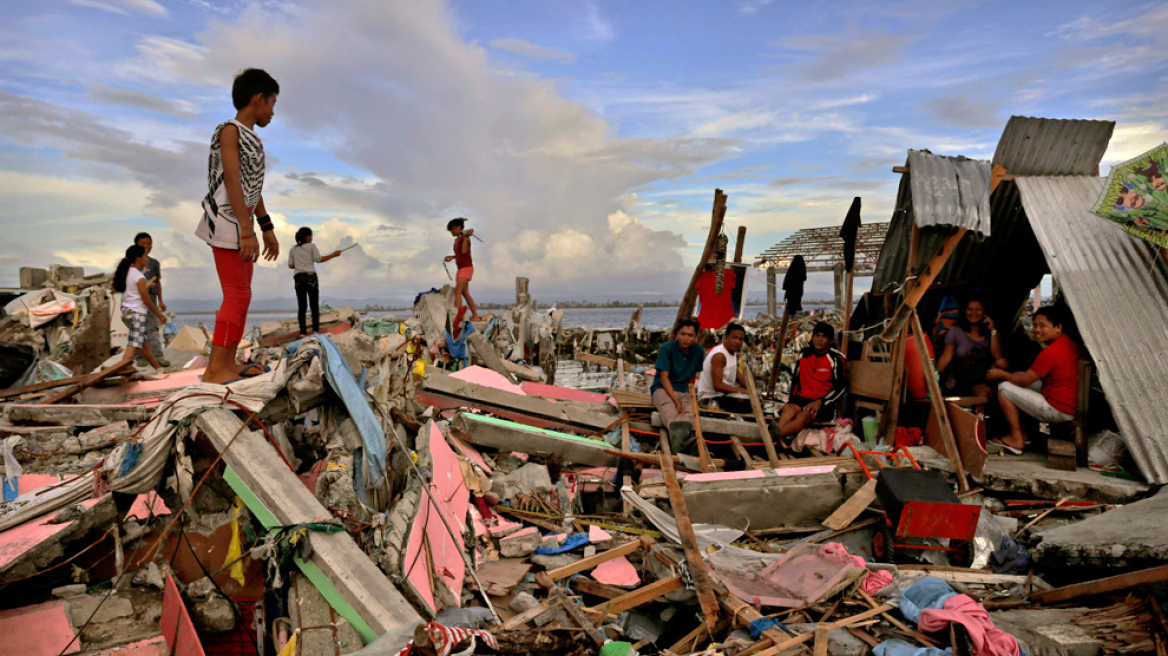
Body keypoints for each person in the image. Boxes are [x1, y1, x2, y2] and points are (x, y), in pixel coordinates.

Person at [195, 68, 281, 384]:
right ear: (258, 100)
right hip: (227, 221)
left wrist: (266, 227)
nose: (272, 112)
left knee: (243, 294)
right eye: (272, 104)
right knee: (235, 294)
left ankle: (227, 364)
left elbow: (252, 187)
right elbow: (232, 180)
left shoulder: (251, 137)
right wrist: (246, 231)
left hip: (242, 223)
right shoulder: (229, 131)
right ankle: (216, 369)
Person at [987, 305, 1083, 454]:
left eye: (1043, 326)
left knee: (1004, 388)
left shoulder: (1051, 352)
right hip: (1068, 403)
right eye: (1035, 325)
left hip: (1058, 408)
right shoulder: (1069, 343)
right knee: (1022, 383)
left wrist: (1000, 373)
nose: (1037, 330)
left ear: (1058, 327)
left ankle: (1016, 439)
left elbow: (1024, 380)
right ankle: (1025, 434)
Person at [776, 322, 846, 438]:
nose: (819, 339)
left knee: (803, 416)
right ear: (812, 337)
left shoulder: (837, 358)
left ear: (831, 341)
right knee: (788, 409)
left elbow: (840, 387)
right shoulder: (804, 355)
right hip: (801, 399)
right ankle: (777, 437)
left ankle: (773, 436)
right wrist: (792, 400)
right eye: (817, 335)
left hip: (822, 404)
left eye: (824, 337)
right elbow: (796, 381)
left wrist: (820, 402)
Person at [651, 318, 705, 453]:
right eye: (683, 334)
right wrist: (676, 401)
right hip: (662, 389)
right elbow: (664, 378)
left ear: (696, 336)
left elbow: (692, 378)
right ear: (677, 334)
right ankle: (682, 447)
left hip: (683, 390)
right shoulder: (666, 348)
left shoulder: (698, 351)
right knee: (670, 411)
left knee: (689, 413)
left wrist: (691, 397)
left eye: (690, 335)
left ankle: (681, 443)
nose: (685, 338)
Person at [936, 298, 1008, 400]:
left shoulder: (992, 334)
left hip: (982, 380)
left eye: (978, 309)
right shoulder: (956, 331)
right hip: (960, 378)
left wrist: (992, 330)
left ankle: (980, 416)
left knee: (1001, 364)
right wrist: (934, 377)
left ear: (984, 312)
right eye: (970, 309)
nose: (973, 313)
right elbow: (946, 357)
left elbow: (998, 357)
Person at [113, 245, 169, 371]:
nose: (147, 259)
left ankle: (158, 369)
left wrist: (144, 316)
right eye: (144, 256)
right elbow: (146, 300)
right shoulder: (139, 277)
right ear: (138, 258)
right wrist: (159, 315)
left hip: (128, 313)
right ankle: (123, 370)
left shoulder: (127, 272)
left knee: (144, 345)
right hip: (135, 314)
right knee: (133, 345)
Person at [288, 227, 343, 337]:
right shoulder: (311, 246)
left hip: (298, 278)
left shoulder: (293, 249)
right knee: (314, 305)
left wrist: (299, 264)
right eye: (311, 235)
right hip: (310, 277)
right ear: (307, 237)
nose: (311, 238)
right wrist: (333, 254)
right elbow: (319, 259)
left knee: (302, 306)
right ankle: (315, 331)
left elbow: (290, 265)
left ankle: (303, 332)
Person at [133, 232, 170, 368]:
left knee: (153, 328)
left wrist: (161, 301)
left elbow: (158, 283)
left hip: (151, 300)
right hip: (136, 300)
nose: (147, 246)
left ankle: (158, 357)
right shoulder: (131, 263)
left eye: (149, 243)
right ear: (136, 245)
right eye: (143, 244)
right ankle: (139, 357)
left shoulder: (154, 263)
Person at [696, 322, 751, 414]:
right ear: (725, 337)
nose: (737, 341)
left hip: (722, 395)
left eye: (740, 339)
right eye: (734, 338)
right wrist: (742, 391)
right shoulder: (719, 356)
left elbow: (738, 375)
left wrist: (751, 388)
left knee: (754, 400)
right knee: (744, 404)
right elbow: (717, 385)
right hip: (709, 398)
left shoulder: (732, 353)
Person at [444, 218, 482, 321]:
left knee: (458, 291)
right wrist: (452, 257)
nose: (452, 231)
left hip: (466, 268)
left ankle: (457, 317)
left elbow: (464, 251)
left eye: (452, 229)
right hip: (460, 268)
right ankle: (475, 315)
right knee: (465, 293)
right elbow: (460, 254)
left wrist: (465, 238)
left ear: (459, 227)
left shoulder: (465, 238)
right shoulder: (457, 240)